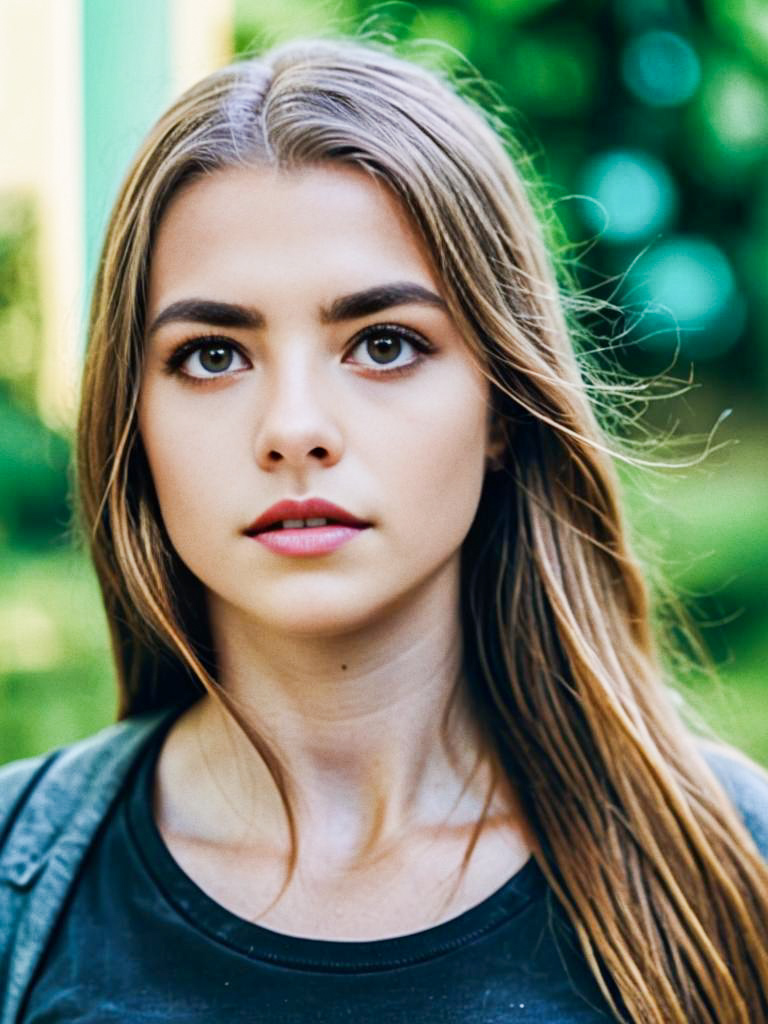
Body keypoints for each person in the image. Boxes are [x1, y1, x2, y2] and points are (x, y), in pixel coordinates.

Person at [1, 36, 767, 1024]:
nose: (293, 430)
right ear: (131, 420)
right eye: (212, 355)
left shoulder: (730, 870)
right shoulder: (22, 900)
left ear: (501, 403)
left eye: (384, 342)